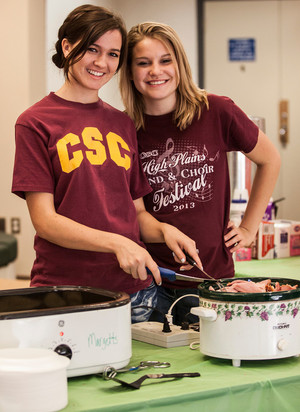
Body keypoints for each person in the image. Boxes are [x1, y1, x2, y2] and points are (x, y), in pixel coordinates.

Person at [11, 6, 201, 324]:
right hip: (66, 294)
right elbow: (44, 221)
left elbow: (136, 213)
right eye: (92, 49)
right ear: (67, 46)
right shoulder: (35, 123)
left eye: (113, 54)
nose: (102, 63)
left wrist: (165, 230)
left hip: (135, 295)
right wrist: (116, 243)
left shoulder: (123, 123)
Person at [119, 22, 281, 325]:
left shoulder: (216, 110)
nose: (156, 70)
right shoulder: (125, 130)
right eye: (144, 63)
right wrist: (165, 231)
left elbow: (270, 159)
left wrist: (249, 227)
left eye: (165, 60)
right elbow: (137, 214)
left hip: (212, 281)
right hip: (152, 284)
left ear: (179, 64)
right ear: (129, 71)